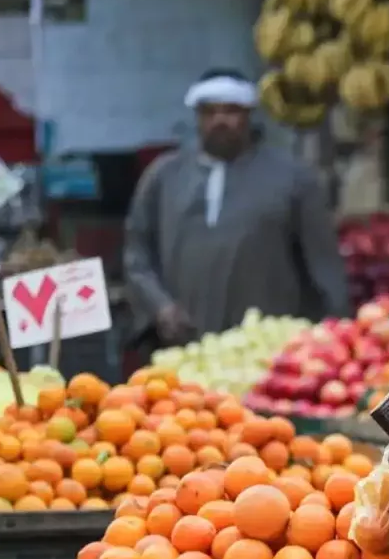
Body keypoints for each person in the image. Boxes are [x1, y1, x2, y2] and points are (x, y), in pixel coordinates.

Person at [124, 69, 349, 350]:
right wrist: (160, 308)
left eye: (231, 111)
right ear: (197, 117)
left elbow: (324, 265)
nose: (220, 120)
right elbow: (138, 256)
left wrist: (335, 334)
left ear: (249, 115)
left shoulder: (293, 178)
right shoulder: (163, 176)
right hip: (183, 349)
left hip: (270, 350)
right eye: (209, 112)